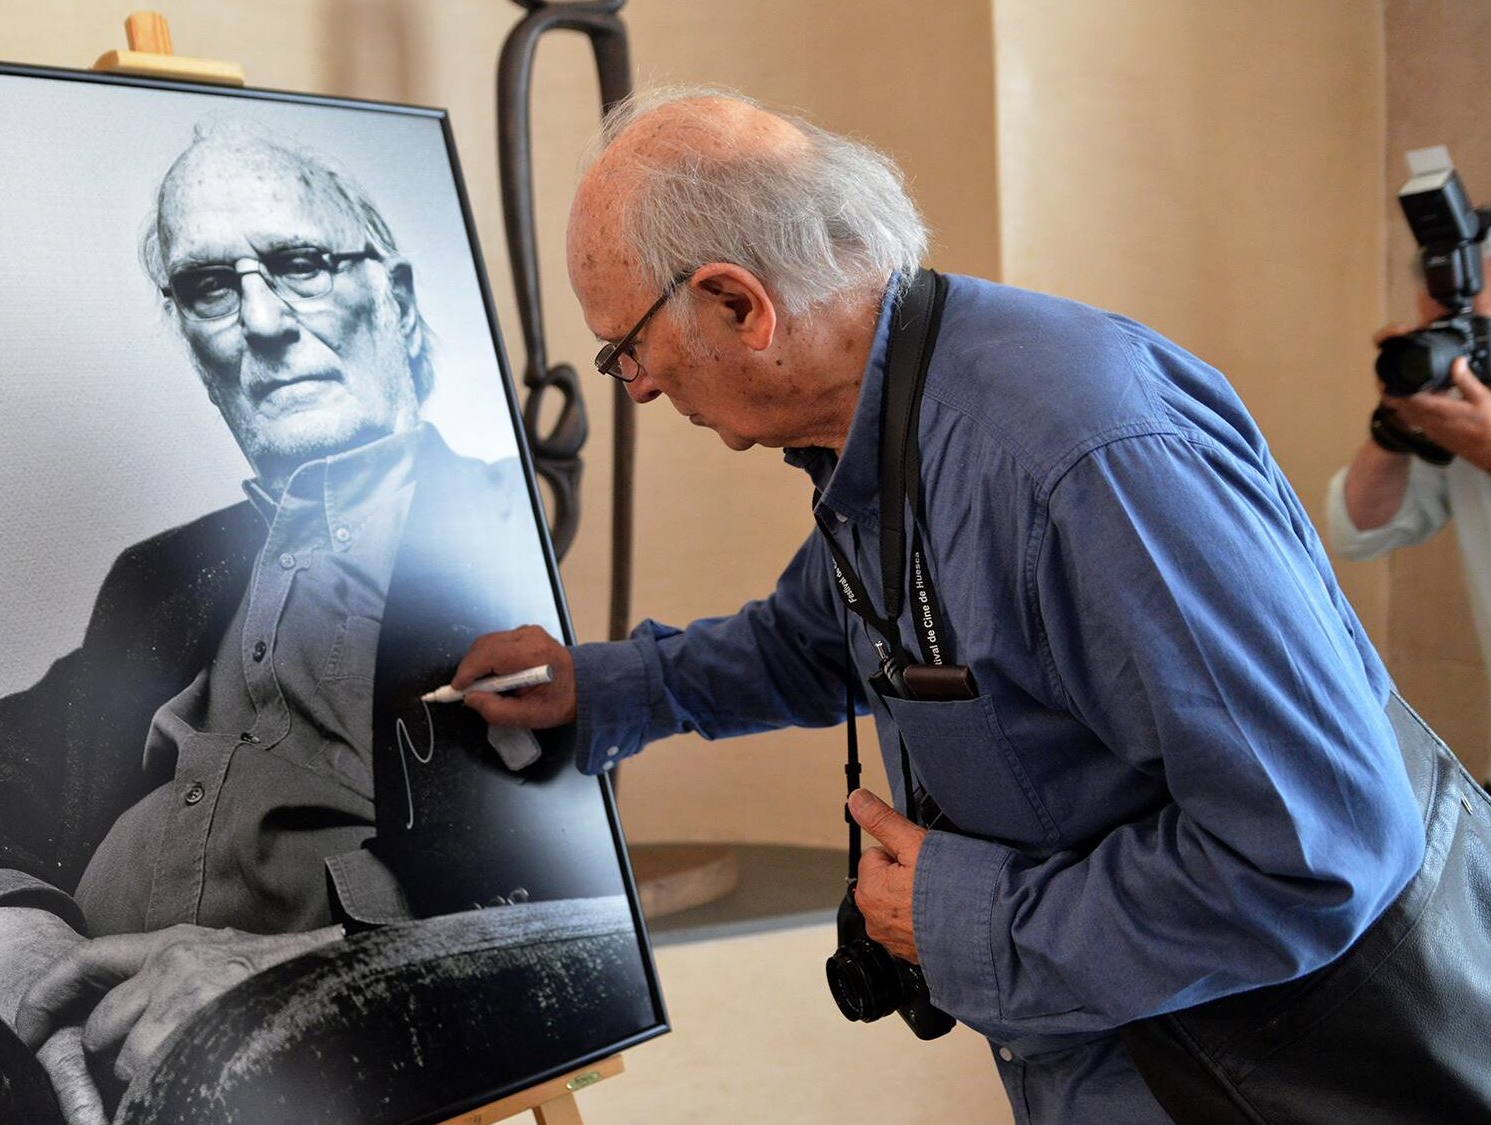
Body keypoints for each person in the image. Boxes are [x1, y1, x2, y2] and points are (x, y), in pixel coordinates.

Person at [454, 88, 1427, 1123]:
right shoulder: (895, 421)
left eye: (626, 349)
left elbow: (1316, 854)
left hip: (1235, 1080)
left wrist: (962, 917)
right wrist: (594, 688)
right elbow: (813, 643)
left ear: (738, 304)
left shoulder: (1079, 462)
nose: (635, 385)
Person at [0, 122, 623, 1124]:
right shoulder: (162, 577)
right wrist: (17, 945)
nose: (263, 322)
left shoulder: (499, 533)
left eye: (300, 264)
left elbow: (568, 908)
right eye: (211, 289)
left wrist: (297, 980)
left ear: (396, 303)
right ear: (190, 341)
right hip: (66, 1060)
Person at [1325, 208, 1491, 869]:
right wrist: (1397, 420)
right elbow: (1359, 530)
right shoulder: (1472, 418)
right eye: (1446, 332)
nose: (1463, 350)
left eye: (1476, 326)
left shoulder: (1485, 433)